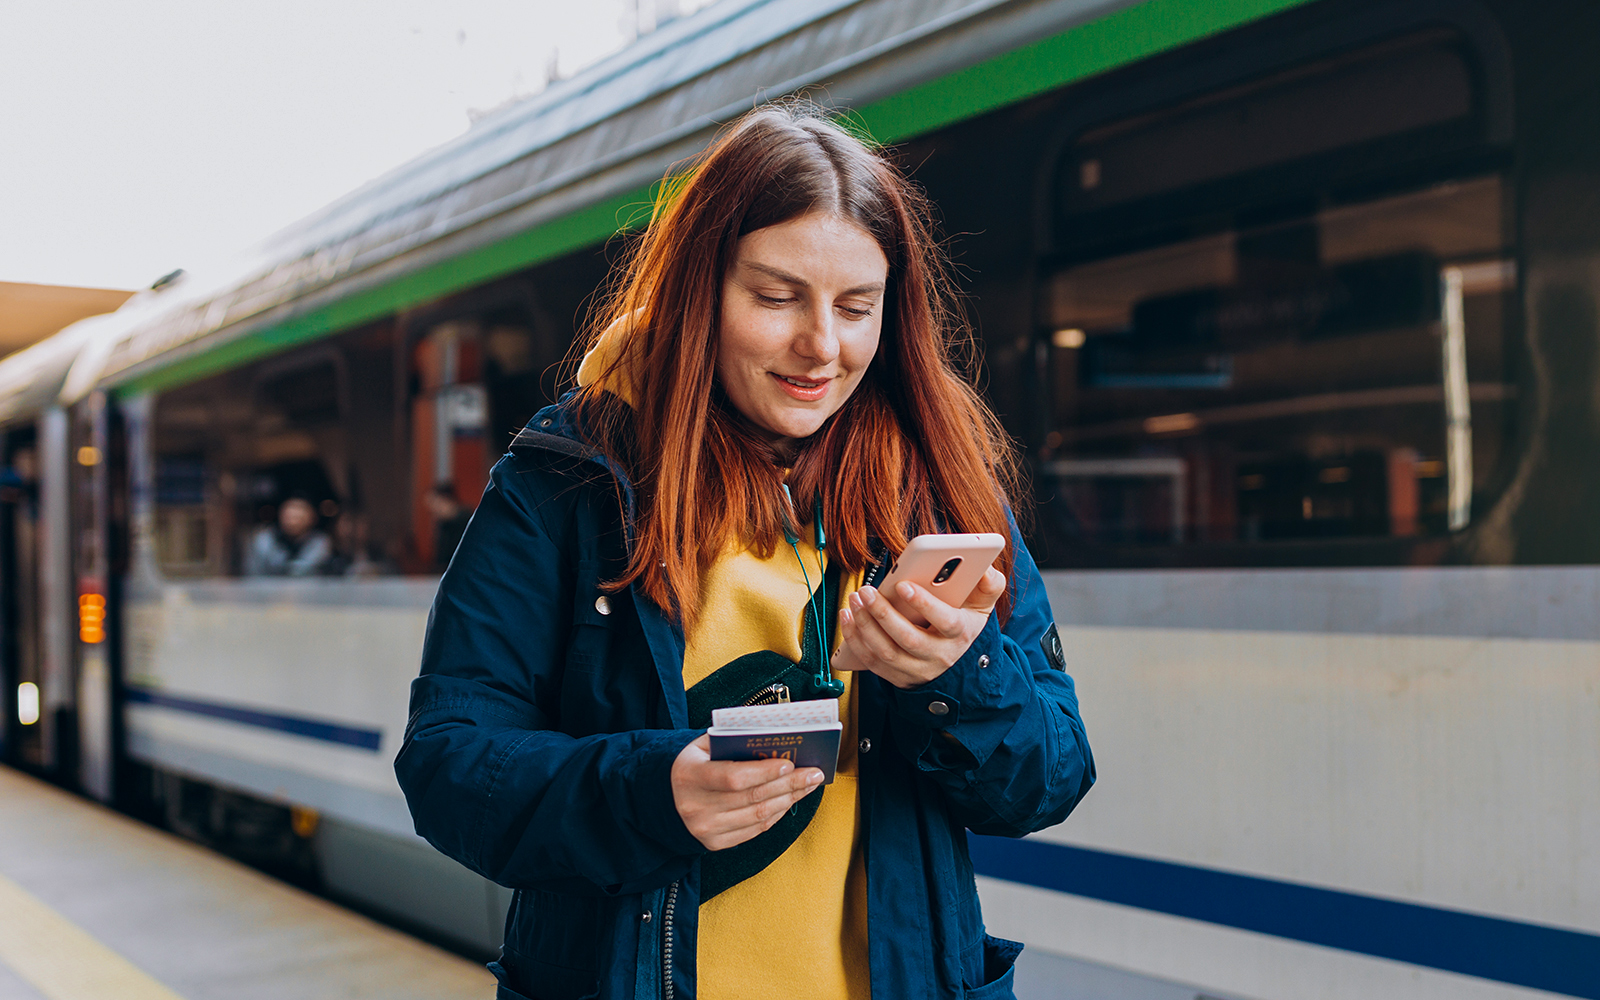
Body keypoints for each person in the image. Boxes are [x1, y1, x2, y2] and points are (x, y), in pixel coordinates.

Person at [395, 101, 1094, 1000]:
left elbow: (1050, 781)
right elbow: (448, 764)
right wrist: (652, 793)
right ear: (700, 290)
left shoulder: (939, 484)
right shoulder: (566, 480)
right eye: (775, 298)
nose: (822, 347)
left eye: (856, 307)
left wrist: (956, 679)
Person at [242, 495, 330, 576]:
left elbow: (308, 569)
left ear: (311, 519)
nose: (292, 522)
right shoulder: (264, 539)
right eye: (288, 517)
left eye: (297, 518)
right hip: (267, 590)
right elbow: (254, 572)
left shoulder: (320, 541)